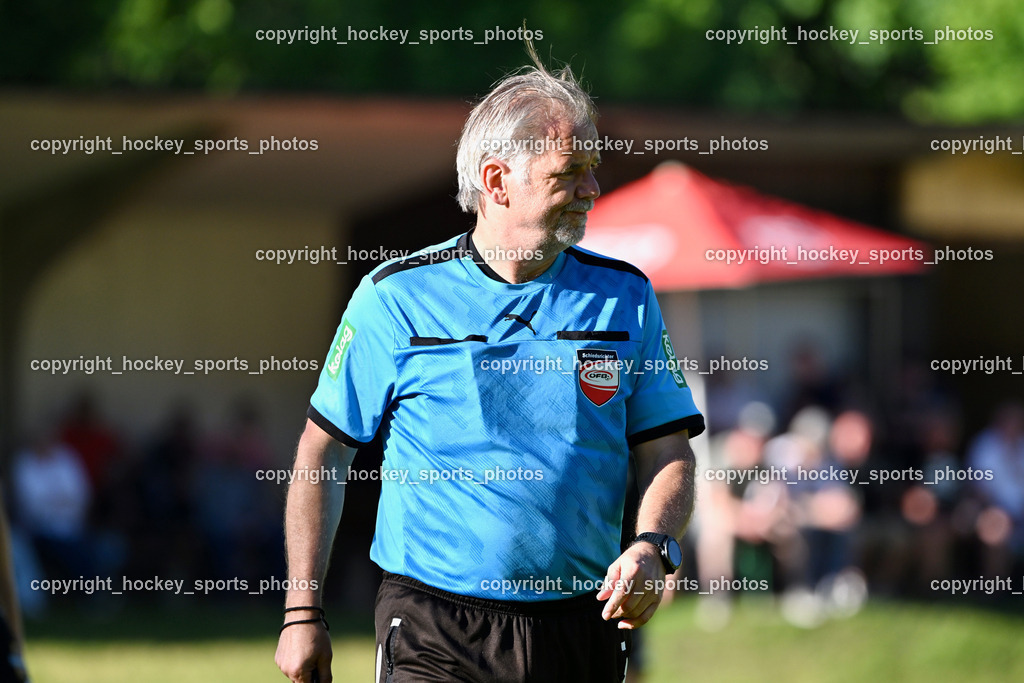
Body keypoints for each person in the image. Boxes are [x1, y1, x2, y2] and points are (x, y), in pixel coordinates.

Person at [275, 46, 704, 683]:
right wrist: (301, 611)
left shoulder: (625, 296)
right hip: (434, 625)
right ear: (497, 180)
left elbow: (667, 454)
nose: (592, 189)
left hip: (581, 621)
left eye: (594, 169)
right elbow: (323, 454)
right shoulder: (396, 296)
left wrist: (653, 547)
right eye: (570, 172)